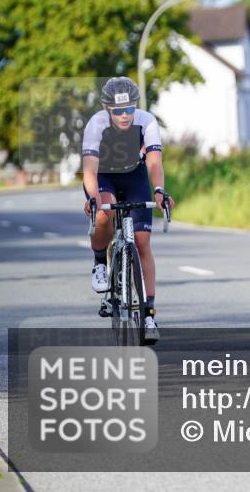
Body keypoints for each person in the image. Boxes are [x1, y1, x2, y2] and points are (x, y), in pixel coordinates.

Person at [81, 77, 174, 343]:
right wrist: (94, 197)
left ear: (136, 106)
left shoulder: (147, 121)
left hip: (134, 175)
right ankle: (100, 261)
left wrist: (158, 191)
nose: (124, 115)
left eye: (129, 109)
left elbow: (155, 164)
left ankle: (148, 315)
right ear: (106, 108)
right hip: (103, 176)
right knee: (104, 213)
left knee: (142, 243)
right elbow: (89, 168)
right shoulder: (96, 124)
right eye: (117, 110)